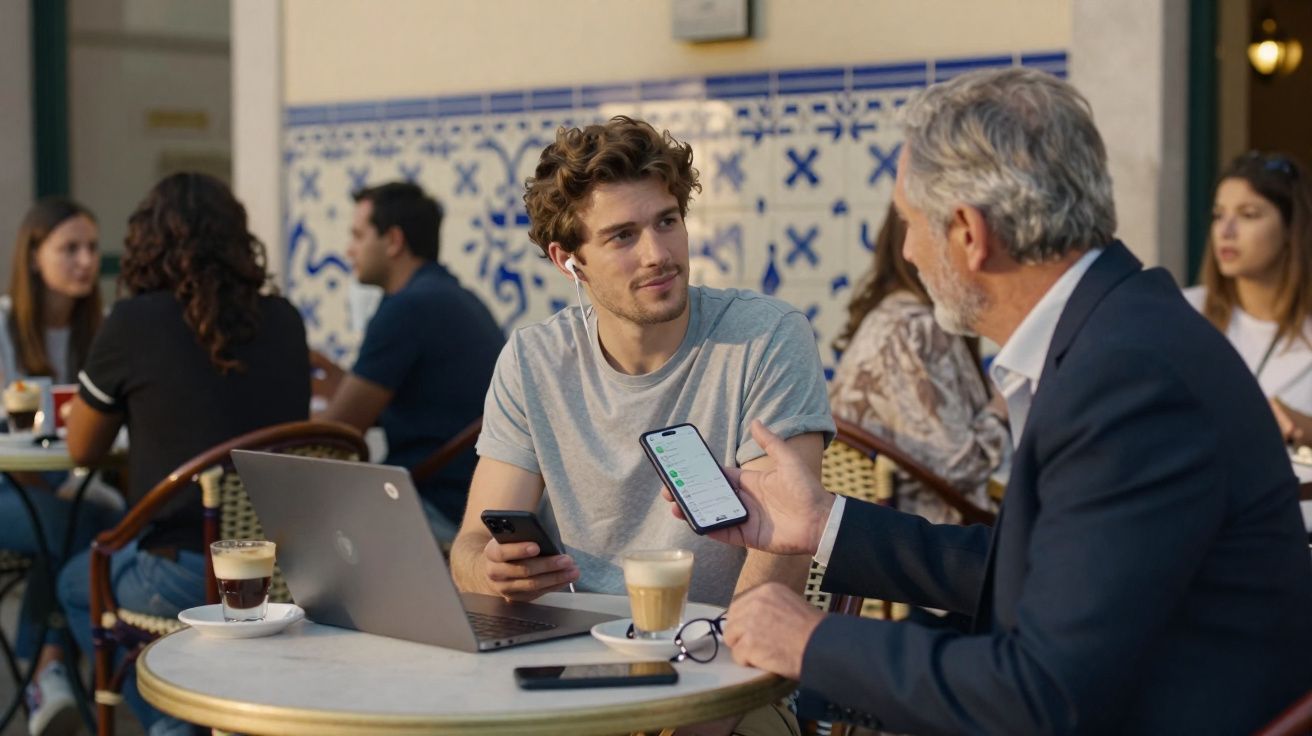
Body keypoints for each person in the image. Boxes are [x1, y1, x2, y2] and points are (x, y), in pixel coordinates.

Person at [665, 68, 1312, 735]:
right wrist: (825, 521)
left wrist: (810, 643)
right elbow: (1038, 576)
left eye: (910, 222)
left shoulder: (1127, 375)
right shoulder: (1116, 331)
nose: (908, 250)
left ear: (970, 234)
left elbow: (1043, 695)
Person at [450, 116, 833, 735]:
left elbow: (776, 572)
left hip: (722, 676)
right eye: (622, 236)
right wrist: (491, 570)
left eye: (667, 222)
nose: (657, 254)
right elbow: (470, 548)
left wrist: (691, 721)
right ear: (568, 261)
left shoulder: (765, 337)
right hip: (567, 675)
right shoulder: (531, 360)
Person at [54, 172, 311, 736]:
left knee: (75, 580)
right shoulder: (286, 320)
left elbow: (80, 449)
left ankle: (174, 722)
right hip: (283, 574)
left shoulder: (133, 322)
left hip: (182, 572)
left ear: (149, 241)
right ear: (238, 241)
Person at [312, 182, 503, 536]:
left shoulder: (407, 308)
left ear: (394, 241)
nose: (349, 250)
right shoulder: (451, 296)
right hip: (482, 499)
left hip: (440, 508)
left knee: (307, 529)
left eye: (358, 236)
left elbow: (335, 434)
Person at [0, 197, 116, 736]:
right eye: (68, 248)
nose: (85, 261)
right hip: (8, 489)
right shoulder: (3, 329)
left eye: (91, 248)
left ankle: (49, 668)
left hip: (72, 486)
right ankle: (53, 668)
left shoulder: (102, 331)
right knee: (80, 526)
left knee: (104, 522)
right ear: (32, 257)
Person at [829, 202, 1009, 523]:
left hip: (876, 538)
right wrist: (1002, 407)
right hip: (932, 544)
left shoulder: (889, 317)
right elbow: (960, 468)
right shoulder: (917, 328)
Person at [1185, 151, 1312, 444]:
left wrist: (1304, 429)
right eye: (1218, 215)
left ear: (1292, 229)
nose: (1225, 231)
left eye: (1248, 215)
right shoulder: (1183, 312)